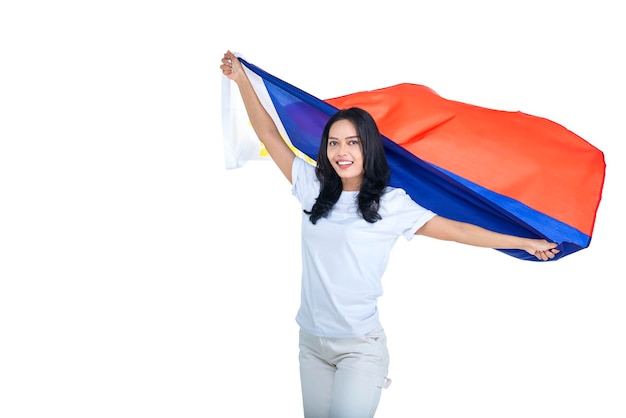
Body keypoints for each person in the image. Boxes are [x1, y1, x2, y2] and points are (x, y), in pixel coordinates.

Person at [220, 50, 559, 418]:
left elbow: (458, 230)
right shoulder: (311, 186)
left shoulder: (391, 203)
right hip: (311, 344)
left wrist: (524, 241)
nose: (342, 151)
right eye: (334, 142)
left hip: (359, 349)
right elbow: (270, 133)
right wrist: (241, 81)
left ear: (368, 147)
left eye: (352, 142)